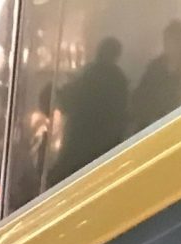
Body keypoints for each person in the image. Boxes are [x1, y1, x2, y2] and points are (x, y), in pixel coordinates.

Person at [49, 38, 129, 185]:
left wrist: (57, 93)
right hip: (106, 146)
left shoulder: (88, 74)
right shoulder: (120, 79)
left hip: (80, 140)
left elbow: (67, 102)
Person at [128, 20, 181, 136]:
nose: (168, 45)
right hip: (153, 126)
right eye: (166, 40)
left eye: (174, 41)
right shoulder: (155, 67)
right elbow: (141, 94)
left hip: (180, 127)